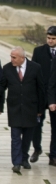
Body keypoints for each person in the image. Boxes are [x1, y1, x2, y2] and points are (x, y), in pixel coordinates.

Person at [0, 47, 44, 172]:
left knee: (27, 137)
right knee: (15, 137)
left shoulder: (35, 68)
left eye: (14, 57)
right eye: (11, 56)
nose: (11, 59)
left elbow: (41, 89)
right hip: (14, 108)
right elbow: (2, 85)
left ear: (22, 58)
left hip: (31, 108)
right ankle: (16, 162)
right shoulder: (7, 68)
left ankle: (24, 158)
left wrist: (40, 108)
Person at [29, 25, 56, 164]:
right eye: (48, 38)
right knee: (36, 125)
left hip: (55, 96)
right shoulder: (39, 51)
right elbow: (33, 72)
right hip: (40, 94)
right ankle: (37, 148)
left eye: (53, 38)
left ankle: (53, 155)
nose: (50, 41)